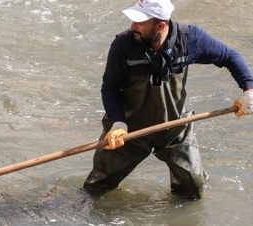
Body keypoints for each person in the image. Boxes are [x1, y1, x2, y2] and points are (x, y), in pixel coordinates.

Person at [83, 0, 253, 200]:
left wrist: (249, 90)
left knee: (192, 190)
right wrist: (118, 122)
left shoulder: (189, 39)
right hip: (128, 132)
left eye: (140, 23)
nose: (132, 27)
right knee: (96, 189)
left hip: (174, 126)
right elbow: (109, 87)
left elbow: (229, 56)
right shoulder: (123, 45)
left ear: (161, 26)